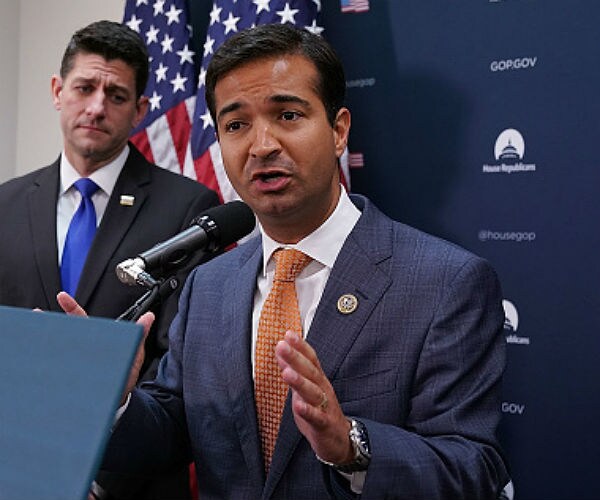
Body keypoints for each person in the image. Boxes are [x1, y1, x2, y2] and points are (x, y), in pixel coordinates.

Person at [60, 23, 509, 499]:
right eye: (236, 125)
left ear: (338, 131)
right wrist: (115, 401)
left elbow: (472, 469)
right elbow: (170, 433)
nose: (262, 146)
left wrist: (351, 445)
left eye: (288, 115)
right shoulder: (207, 286)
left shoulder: (444, 282)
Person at [0, 20, 219, 499]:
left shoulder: (187, 210)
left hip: (125, 482)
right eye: (85, 88)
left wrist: (97, 481)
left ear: (140, 109)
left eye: (116, 96)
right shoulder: (5, 205)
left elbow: (178, 370)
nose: (97, 107)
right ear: (58, 91)